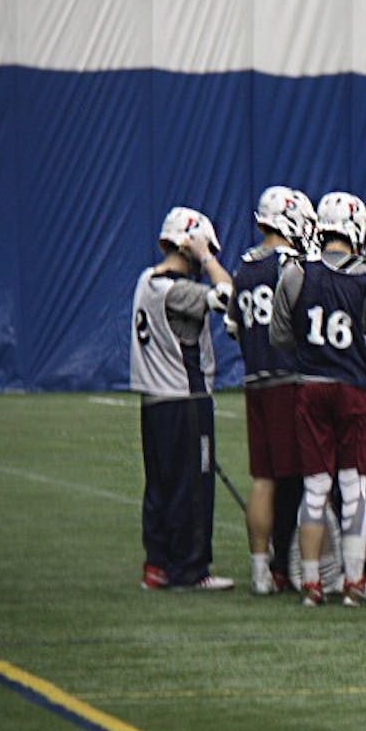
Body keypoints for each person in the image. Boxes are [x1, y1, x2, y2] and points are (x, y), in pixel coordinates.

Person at [271, 191, 366, 606]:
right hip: (355, 390)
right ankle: (353, 581)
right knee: (354, 488)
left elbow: (279, 336)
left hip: (311, 387)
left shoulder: (295, 273)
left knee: (314, 489)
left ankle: (311, 584)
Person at [131, 206, 236, 591]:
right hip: (184, 399)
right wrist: (207, 257)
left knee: (159, 484)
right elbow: (229, 296)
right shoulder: (180, 291)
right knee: (193, 485)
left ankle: (157, 564)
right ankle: (190, 569)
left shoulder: (146, 280)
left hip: (154, 400)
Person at [229, 186, 315, 594]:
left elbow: (233, 326)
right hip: (288, 378)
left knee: (263, 477)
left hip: (254, 379)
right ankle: (291, 564)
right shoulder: (291, 265)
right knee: (296, 478)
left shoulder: (244, 268)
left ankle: (262, 571)